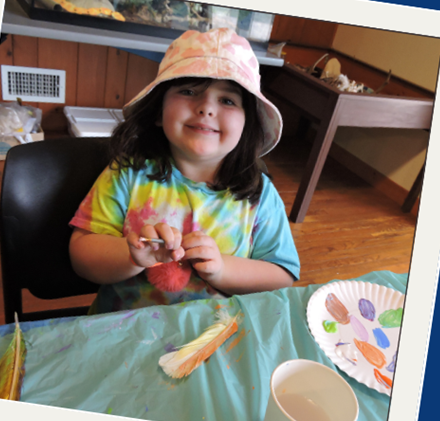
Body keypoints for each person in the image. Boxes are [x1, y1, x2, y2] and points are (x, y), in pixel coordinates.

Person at [69, 28, 300, 313]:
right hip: (122, 331)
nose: (206, 108)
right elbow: (81, 254)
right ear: (158, 110)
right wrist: (133, 256)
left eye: (227, 100)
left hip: (215, 336)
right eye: (189, 91)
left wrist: (220, 269)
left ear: (247, 126)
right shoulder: (127, 174)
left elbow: (281, 276)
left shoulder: (259, 194)